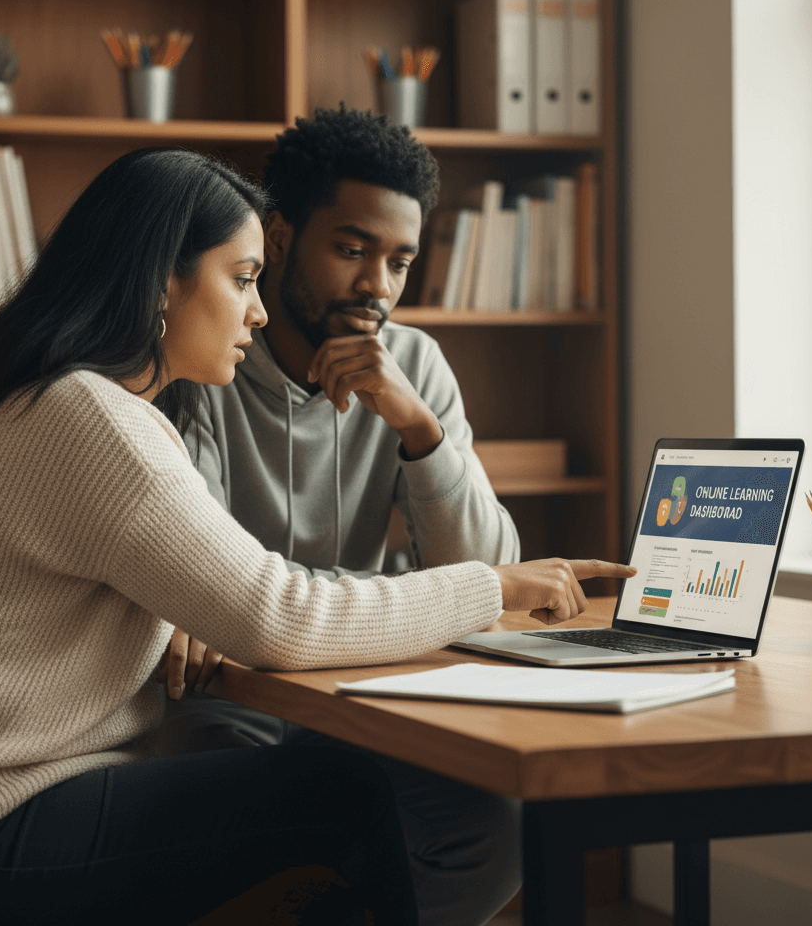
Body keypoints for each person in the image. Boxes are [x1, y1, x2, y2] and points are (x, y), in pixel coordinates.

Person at [0, 147, 636, 926]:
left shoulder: (60, 400)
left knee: (378, 806)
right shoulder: (94, 421)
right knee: (340, 799)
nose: (259, 310)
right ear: (161, 282)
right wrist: (495, 584)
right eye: (242, 279)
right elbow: (280, 616)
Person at [155, 108, 542, 925]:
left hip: (364, 695)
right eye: (353, 250)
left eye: (399, 261)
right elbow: (205, 581)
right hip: (223, 702)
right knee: (246, 833)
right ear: (280, 237)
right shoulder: (204, 359)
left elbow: (491, 576)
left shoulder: (417, 365)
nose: (379, 287)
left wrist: (419, 429)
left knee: (496, 829)